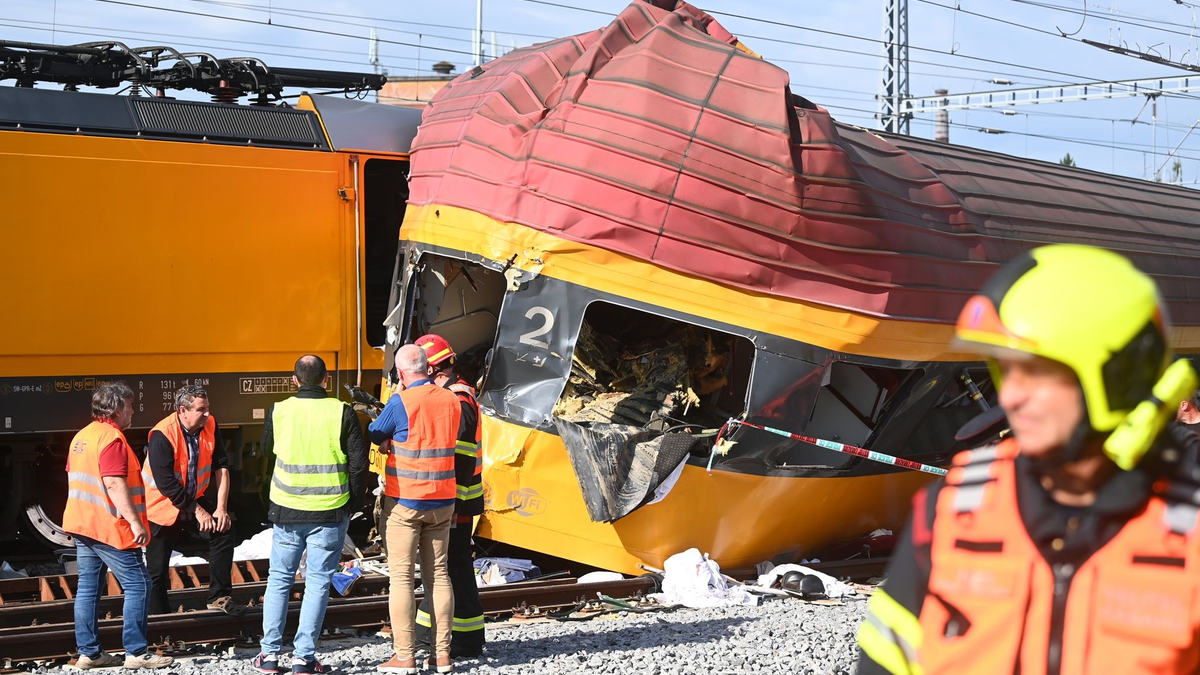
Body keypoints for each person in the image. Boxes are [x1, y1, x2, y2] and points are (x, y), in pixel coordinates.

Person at [856, 244, 1200, 675]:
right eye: (1006, 371)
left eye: (1036, 372)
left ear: (1117, 376)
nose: (1012, 397)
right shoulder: (951, 512)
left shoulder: (1190, 530)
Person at [254, 355, 368, 675]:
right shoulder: (342, 412)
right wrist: (354, 505)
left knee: (279, 580)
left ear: (295, 380)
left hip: (287, 508)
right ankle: (304, 659)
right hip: (331, 511)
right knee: (317, 582)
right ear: (326, 379)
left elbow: (265, 451)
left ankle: (269, 656)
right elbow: (359, 465)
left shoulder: (280, 410)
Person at [64, 382, 174, 670]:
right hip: (109, 527)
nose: (133, 411)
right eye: (130, 405)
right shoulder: (112, 439)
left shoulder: (82, 437)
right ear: (116, 408)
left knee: (88, 589)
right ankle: (137, 652)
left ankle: (90, 653)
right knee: (139, 584)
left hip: (82, 523)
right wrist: (135, 522)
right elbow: (113, 483)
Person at [371, 344, 461, 675]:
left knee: (402, 580)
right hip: (442, 501)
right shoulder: (451, 399)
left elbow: (376, 431)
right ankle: (442, 656)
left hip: (406, 503)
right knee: (438, 576)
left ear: (401, 373)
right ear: (428, 367)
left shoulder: (401, 401)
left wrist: (390, 432)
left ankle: (405, 657)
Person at [412, 335, 486, 658]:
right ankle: (465, 639)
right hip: (455, 502)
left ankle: (434, 639)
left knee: (446, 567)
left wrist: (451, 505)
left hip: (458, 503)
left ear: (431, 368)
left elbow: (463, 458)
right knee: (452, 568)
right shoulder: (453, 396)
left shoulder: (459, 400)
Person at [142, 385, 244, 616]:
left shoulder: (210, 424)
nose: (207, 414)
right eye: (201, 410)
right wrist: (198, 511)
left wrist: (220, 509)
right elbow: (166, 483)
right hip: (161, 506)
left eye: (207, 409)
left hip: (192, 499)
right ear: (182, 411)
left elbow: (222, 467)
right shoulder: (162, 434)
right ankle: (158, 618)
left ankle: (219, 597)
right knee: (156, 570)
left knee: (224, 531)